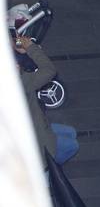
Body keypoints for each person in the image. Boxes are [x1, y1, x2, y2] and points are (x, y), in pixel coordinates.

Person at [14, 33, 78, 164]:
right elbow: (49, 70)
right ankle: (50, 166)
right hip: (36, 140)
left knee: (70, 132)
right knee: (72, 146)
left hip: (34, 124)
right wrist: (31, 48)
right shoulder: (22, 82)